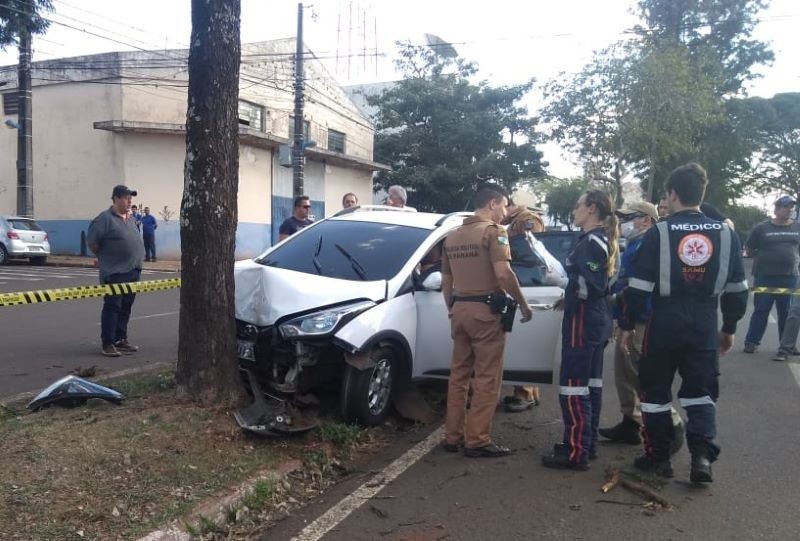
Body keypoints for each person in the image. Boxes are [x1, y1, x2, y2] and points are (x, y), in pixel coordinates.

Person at [620, 163, 748, 483]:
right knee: (701, 393)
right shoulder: (727, 234)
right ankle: (701, 459)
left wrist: (626, 323)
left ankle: (659, 458)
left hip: (663, 322)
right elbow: (737, 289)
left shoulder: (658, 233)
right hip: (704, 322)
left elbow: (638, 287)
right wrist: (729, 327)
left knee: (655, 392)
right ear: (700, 194)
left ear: (672, 194)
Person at [440, 183, 533, 458]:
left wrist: (452, 310)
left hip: (459, 310)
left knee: (458, 376)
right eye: (504, 206)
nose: (505, 212)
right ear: (492, 203)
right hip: (486, 312)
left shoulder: (452, 236)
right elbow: (503, 274)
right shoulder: (494, 233)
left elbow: (447, 282)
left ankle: (452, 436)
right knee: (487, 378)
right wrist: (524, 305)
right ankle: (477, 440)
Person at [541, 190, 618, 471]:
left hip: (584, 320)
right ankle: (585, 443)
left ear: (592, 208)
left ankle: (576, 452)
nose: (574, 210)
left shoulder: (590, 243)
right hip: (597, 318)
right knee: (590, 385)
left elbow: (590, 287)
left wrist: (562, 282)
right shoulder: (602, 239)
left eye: (577, 205)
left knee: (573, 386)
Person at [599, 201, 684, 449]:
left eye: (630, 218)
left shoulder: (648, 244)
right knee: (624, 375)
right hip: (628, 317)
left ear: (646, 220)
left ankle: (672, 424)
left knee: (641, 377)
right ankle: (630, 422)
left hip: (641, 320)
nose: (624, 223)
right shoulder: (636, 243)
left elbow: (640, 288)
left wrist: (626, 317)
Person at [87, 184, 145, 358]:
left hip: (133, 270)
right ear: (116, 199)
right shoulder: (104, 219)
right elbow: (93, 242)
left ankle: (121, 339)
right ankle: (108, 342)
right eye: (126, 198)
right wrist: (106, 258)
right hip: (115, 272)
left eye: (130, 198)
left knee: (126, 306)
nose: (129, 201)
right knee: (113, 306)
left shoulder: (131, 218)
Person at [501, 196, 546, 412]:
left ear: (510, 204)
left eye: (503, 206)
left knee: (523, 338)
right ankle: (526, 391)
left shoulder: (527, 220)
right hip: (517, 281)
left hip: (527, 281)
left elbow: (532, 250)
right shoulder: (508, 222)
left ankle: (526, 392)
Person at [742, 195, 800, 353]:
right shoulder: (762, 228)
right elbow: (749, 248)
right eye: (786, 206)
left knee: (787, 312)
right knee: (761, 309)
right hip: (765, 276)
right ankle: (751, 342)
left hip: (789, 276)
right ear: (777, 209)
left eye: (792, 207)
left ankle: (787, 344)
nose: (790, 210)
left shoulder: (797, 227)